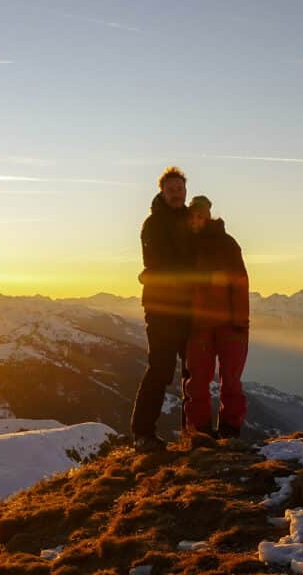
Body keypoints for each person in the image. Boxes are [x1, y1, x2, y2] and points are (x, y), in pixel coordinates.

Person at [131, 166, 196, 453]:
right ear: (162, 191)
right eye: (171, 189)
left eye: (179, 189)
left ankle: (192, 432)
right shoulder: (153, 224)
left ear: (185, 190)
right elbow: (159, 262)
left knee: (194, 370)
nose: (176, 193)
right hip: (161, 307)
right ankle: (143, 434)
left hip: (189, 307)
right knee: (161, 369)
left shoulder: (191, 220)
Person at [183, 195, 250, 439]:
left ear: (208, 215)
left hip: (229, 324)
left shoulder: (227, 244)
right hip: (198, 325)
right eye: (194, 215)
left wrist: (240, 322)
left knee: (230, 381)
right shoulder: (187, 245)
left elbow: (240, 283)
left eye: (201, 214)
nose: (197, 219)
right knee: (197, 381)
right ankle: (200, 433)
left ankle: (230, 431)